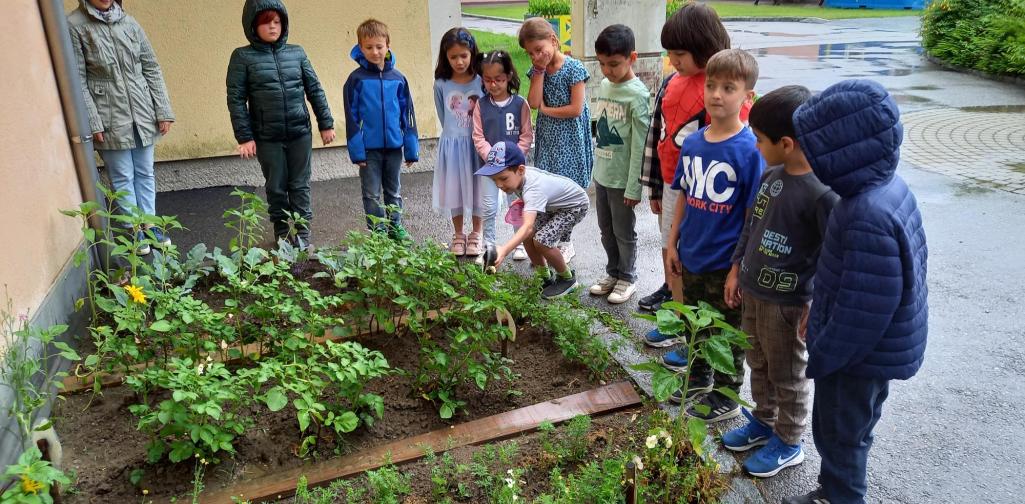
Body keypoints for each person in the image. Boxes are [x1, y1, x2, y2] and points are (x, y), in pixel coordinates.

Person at [783, 79, 928, 504]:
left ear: (843, 151)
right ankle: (834, 489)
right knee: (853, 427)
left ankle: (841, 496)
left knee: (841, 433)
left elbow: (864, 310)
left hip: (856, 357)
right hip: (872, 351)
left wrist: (825, 354)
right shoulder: (882, 188)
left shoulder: (866, 213)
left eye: (815, 149)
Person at [719, 85, 839, 479]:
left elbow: (832, 255)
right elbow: (751, 226)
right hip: (754, 291)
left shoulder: (822, 194)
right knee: (758, 361)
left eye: (759, 139)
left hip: (788, 302)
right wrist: (737, 268)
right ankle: (763, 421)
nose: (755, 146)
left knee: (788, 373)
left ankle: (789, 441)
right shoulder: (771, 175)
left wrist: (815, 302)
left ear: (786, 143)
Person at [662, 49, 764, 420]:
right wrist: (673, 243)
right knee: (695, 321)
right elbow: (684, 197)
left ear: (746, 97)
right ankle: (700, 376)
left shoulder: (751, 150)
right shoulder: (693, 143)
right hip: (692, 254)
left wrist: (738, 268)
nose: (716, 94)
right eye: (711, 85)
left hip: (725, 262)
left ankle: (727, 392)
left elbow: (753, 216)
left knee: (725, 329)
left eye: (728, 87)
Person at [637, 3, 736, 313]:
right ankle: (673, 298)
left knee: (694, 254)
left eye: (679, 54)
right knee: (669, 246)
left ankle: (689, 319)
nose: (672, 60)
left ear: (703, 47)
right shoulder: (671, 82)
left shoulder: (720, 89)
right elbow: (658, 135)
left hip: (704, 192)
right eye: (670, 53)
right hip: (671, 184)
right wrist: (654, 186)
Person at [69, 0, 175, 254]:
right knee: (123, 176)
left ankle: (149, 225)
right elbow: (78, 80)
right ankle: (133, 230)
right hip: (109, 114)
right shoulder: (74, 25)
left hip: (142, 111)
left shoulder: (128, 22)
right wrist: (93, 120)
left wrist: (162, 109)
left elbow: (151, 66)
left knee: (145, 172)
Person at [226, 0, 335, 248]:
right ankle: (283, 233)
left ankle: (303, 234)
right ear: (253, 26)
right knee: (276, 187)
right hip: (267, 137)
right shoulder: (242, 57)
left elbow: (314, 89)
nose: (273, 27)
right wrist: (244, 137)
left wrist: (325, 123)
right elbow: (235, 99)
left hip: (299, 133)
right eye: (266, 22)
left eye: (277, 22)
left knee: (300, 184)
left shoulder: (297, 53)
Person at [518, 17, 594, 263]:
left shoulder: (574, 69)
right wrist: (538, 72)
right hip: (549, 140)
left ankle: (566, 241)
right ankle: (548, 236)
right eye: (530, 54)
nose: (536, 56)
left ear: (554, 40)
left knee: (568, 187)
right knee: (548, 185)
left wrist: (547, 111)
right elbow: (533, 102)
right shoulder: (538, 71)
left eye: (539, 50)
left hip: (570, 139)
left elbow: (574, 109)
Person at [476, 142, 588, 299]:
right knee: (529, 238)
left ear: (521, 170)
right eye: (495, 180)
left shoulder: (533, 189)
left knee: (542, 241)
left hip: (574, 206)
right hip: (553, 205)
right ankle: (545, 277)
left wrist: (504, 250)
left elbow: (528, 226)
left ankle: (567, 279)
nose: (499, 185)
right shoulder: (519, 179)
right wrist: (523, 202)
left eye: (503, 178)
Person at [588, 24, 651, 305]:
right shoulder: (604, 85)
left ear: (632, 58)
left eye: (614, 64)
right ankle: (613, 272)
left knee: (624, 233)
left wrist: (633, 186)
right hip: (602, 174)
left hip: (623, 181)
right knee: (605, 229)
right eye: (602, 64)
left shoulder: (637, 95)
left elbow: (640, 144)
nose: (607, 70)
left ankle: (628, 277)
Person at [343, 18, 419, 240]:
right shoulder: (356, 80)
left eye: (379, 46)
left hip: (394, 147)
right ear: (360, 48)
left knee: (393, 191)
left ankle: (395, 227)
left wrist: (411, 147)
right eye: (369, 47)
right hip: (369, 150)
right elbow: (351, 116)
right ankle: (377, 232)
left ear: (388, 46)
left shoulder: (398, 79)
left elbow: (408, 115)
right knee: (371, 193)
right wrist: (356, 150)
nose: (375, 52)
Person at [472, 50, 534, 262]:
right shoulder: (481, 105)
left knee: (516, 205)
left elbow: (526, 135)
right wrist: (494, 159)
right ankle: (488, 246)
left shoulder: (520, 104)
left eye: (498, 79)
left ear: (508, 77)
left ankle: (520, 244)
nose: (493, 84)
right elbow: (478, 136)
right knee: (489, 207)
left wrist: (513, 158)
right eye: (488, 80)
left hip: (514, 169)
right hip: (489, 168)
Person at [432, 28, 484, 256]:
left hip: (477, 145)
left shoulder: (482, 81)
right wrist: (455, 134)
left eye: (464, 55)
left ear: (472, 53)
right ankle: (459, 233)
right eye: (453, 57)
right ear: (445, 57)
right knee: (455, 189)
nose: (459, 61)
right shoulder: (441, 84)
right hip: (453, 146)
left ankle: (477, 233)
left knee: (478, 188)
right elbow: (444, 117)